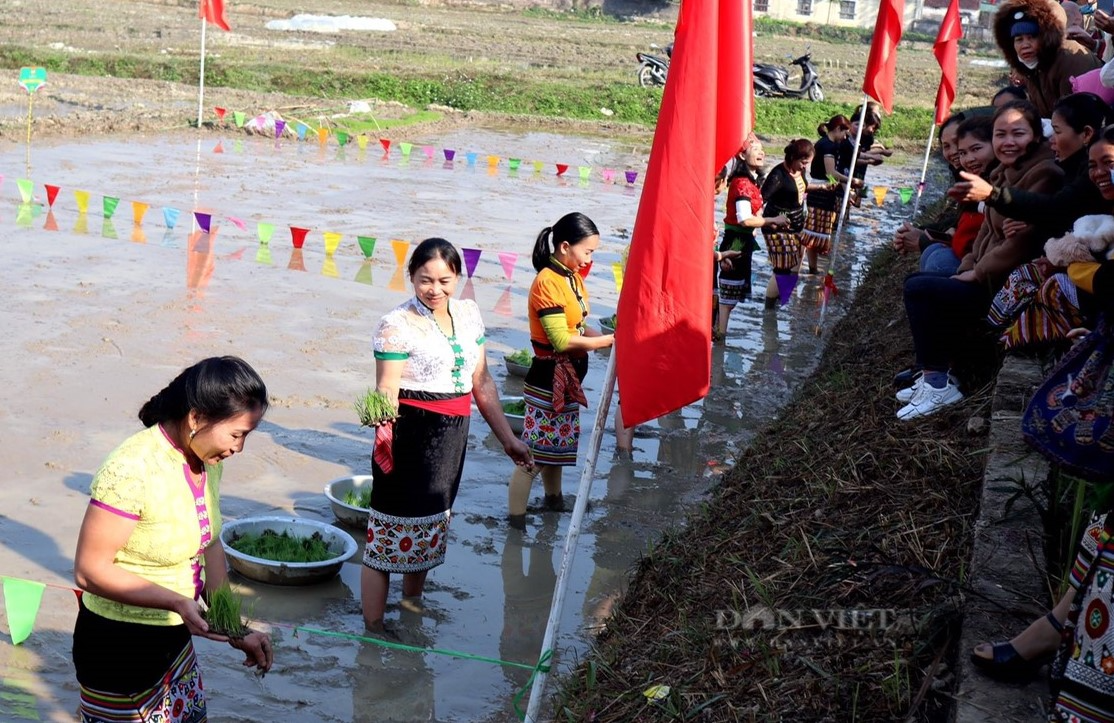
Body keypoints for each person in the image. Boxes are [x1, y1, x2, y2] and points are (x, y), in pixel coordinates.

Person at [72, 356, 274, 723]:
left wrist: (235, 629)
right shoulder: (132, 468)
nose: (239, 448)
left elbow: (209, 545)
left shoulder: (208, 462)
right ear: (196, 418)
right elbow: (89, 571)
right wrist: (178, 602)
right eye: (237, 434)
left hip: (174, 647)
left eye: (247, 435)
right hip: (118, 652)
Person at [362, 237, 533, 632]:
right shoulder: (396, 325)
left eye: (444, 280)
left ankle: (411, 603)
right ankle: (373, 628)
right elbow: (386, 388)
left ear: (457, 277)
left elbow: (482, 381)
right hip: (410, 435)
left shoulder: (470, 314)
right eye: (425, 280)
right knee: (387, 533)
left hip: (452, 436)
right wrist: (382, 429)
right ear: (410, 277)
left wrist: (508, 439)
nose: (435, 290)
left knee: (431, 523)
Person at [897, 100, 1064, 420]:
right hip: (988, 274)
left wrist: (976, 274)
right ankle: (936, 376)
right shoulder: (1002, 174)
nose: (1008, 141)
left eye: (1018, 133)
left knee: (920, 289)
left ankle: (937, 383)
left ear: (1035, 136)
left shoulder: (1043, 173)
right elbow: (986, 235)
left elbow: (1021, 241)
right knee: (922, 284)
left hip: (1007, 285)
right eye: (1001, 134)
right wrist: (966, 268)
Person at [506, 212, 614, 529]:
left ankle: (554, 502)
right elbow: (561, 339)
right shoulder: (547, 283)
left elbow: (577, 326)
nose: (589, 259)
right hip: (547, 381)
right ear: (565, 246)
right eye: (588, 251)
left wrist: (609, 338)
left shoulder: (570, 276)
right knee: (535, 457)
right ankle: (515, 524)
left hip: (566, 381)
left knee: (556, 450)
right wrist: (605, 342)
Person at [950, 92, 1110, 238]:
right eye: (1000, 134)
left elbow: (1057, 209)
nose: (1052, 140)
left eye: (1057, 131)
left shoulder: (1049, 172)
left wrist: (992, 195)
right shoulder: (1000, 173)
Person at [715, 135, 788, 338]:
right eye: (755, 149)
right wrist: (772, 220)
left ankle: (718, 332)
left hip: (743, 241)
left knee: (732, 294)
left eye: (762, 149)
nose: (761, 152)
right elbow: (744, 220)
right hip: (736, 241)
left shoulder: (751, 182)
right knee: (727, 296)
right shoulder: (742, 184)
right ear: (741, 154)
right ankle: (719, 336)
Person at [913, 115, 998, 276]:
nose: (953, 153)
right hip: (972, 259)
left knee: (937, 261)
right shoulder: (969, 177)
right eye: (947, 146)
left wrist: (923, 238)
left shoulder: (995, 183)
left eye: (975, 149)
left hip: (983, 266)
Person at [993, 0, 1100, 118]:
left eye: (1032, 37)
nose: (1025, 45)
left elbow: (1078, 117)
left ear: (1047, 37)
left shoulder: (1070, 57)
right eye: (1019, 39)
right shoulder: (1029, 65)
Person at [759, 139, 826, 310]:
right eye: (803, 162)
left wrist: (822, 187)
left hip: (795, 226)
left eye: (807, 163)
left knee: (790, 267)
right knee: (782, 269)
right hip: (776, 228)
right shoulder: (778, 175)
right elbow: (759, 200)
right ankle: (769, 312)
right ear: (793, 157)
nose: (805, 167)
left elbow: (802, 187)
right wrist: (767, 221)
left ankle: (780, 302)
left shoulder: (799, 172)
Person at [803, 115, 854, 275]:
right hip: (820, 192)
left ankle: (813, 268)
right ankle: (810, 267)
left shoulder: (827, 144)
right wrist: (851, 180)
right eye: (844, 133)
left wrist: (842, 185)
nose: (845, 137)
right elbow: (830, 172)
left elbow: (829, 175)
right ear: (838, 129)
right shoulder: (828, 146)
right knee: (814, 231)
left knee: (816, 230)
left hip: (824, 188)